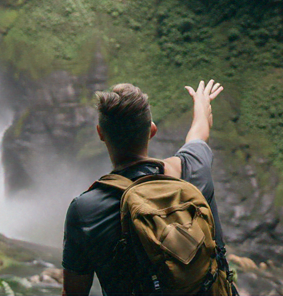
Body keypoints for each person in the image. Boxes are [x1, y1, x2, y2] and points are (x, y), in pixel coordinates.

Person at [62, 79, 225, 296]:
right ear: (152, 130)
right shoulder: (194, 169)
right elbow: (199, 133)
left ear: (101, 133)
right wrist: (202, 105)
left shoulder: (84, 210)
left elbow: (74, 293)